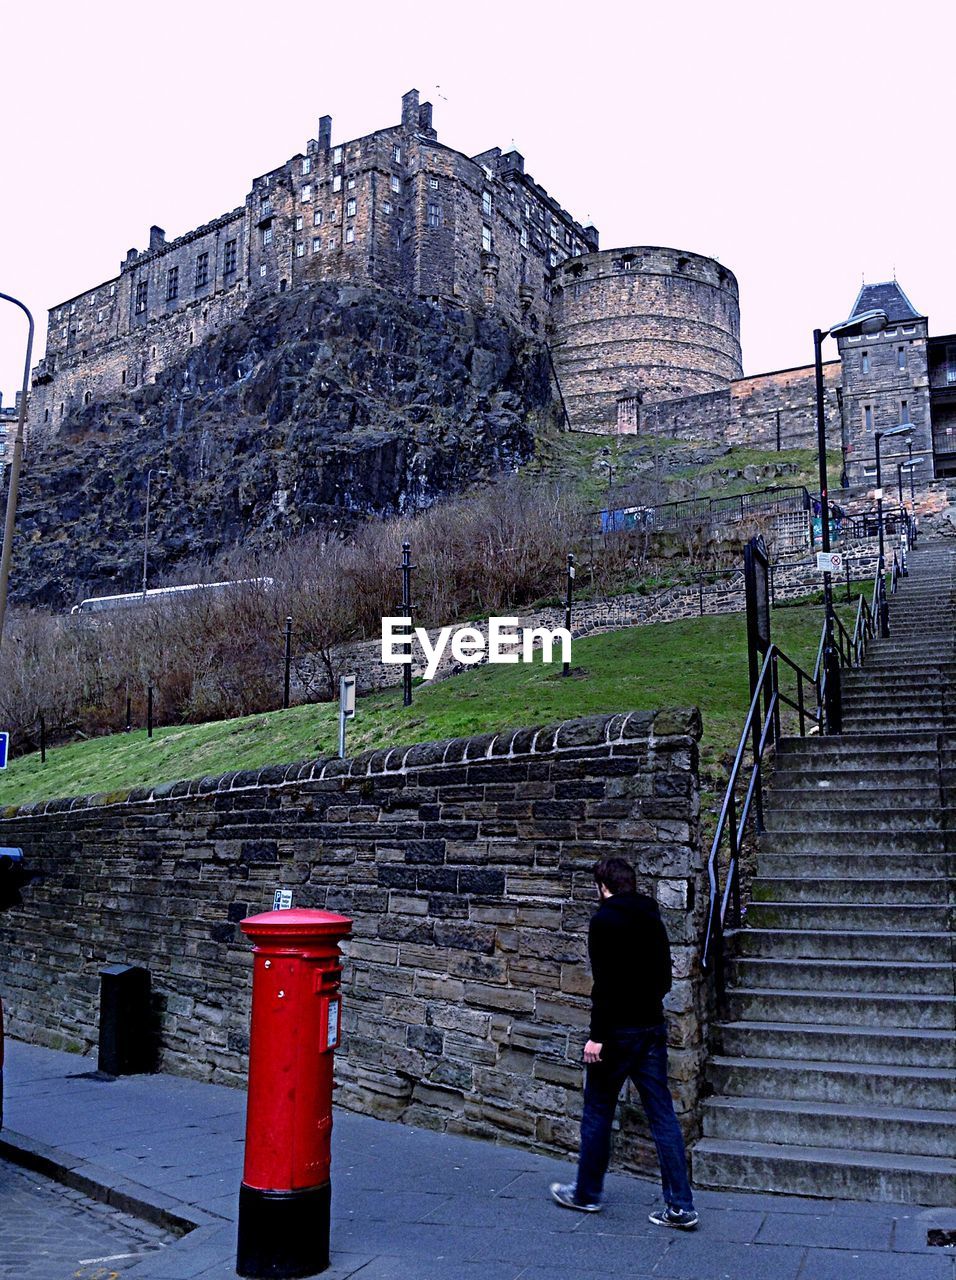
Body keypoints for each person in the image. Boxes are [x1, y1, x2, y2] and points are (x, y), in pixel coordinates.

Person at [549, 856, 698, 1229]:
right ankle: (680, 1205)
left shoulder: (604, 921)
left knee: (598, 1110)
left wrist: (597, 1037)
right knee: (663, 1115)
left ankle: (586, 1193)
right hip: (651, 1028)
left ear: (603, 886)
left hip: (615, 1034)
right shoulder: (652, 916)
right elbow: (665, 977)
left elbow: (605, 984)